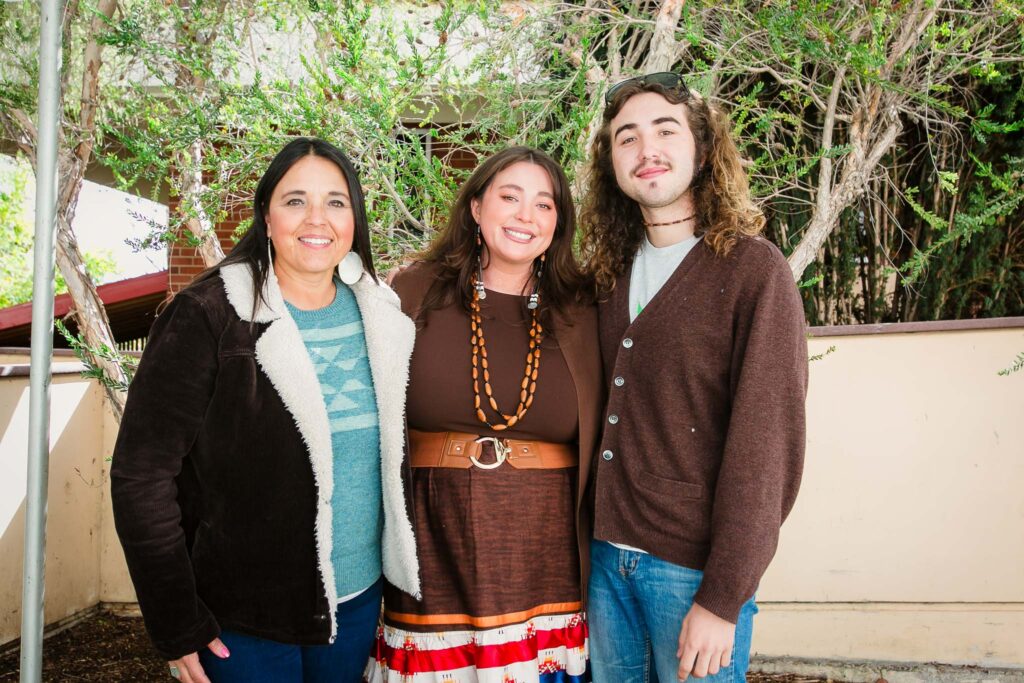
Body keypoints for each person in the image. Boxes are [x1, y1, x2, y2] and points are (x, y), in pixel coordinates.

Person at [110, 137, 420, 683]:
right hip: (242, 618)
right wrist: (176, 618)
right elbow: (142, 477)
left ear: (354, 218)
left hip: (355, 605)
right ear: (267, 216)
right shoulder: (208, 315)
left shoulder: (382, 314)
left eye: (336, 202)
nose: (317, 219)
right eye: (296, 200)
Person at [578, 73, 808, 682]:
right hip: (603, 567)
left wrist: (724, 596)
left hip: (689, 574)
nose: (646, 149)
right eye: (627, 137)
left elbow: (766, 446)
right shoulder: (606, 275)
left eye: (665, 131)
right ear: (611, 163)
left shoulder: (753, 271)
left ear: (703, 151)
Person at [367, 146, 602, 682]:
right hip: (432, 538)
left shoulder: (584, 307)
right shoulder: (413, 290)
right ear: (476, 207)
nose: (526, 216)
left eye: (544, 204)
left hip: (547, 546)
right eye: (510, 197)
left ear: (558, 223)